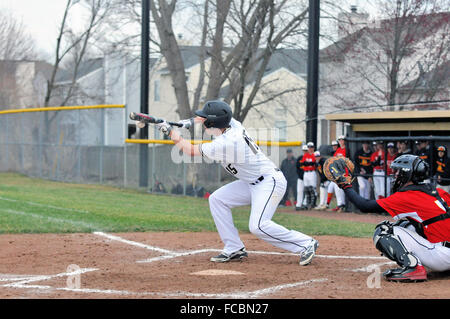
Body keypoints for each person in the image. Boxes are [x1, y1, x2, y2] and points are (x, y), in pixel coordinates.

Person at [153, 100, 319, 265]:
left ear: (214, 123)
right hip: (250, 182)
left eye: (206, 120)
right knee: (217, 200)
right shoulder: (233, 125)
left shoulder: (225, 143)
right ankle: (234, 247)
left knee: (258, 226)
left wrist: (170, 132)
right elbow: (213, 118)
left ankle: (305, 243)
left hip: (269, 182)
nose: (204, 121)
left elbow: (189, 150)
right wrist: (188, 122)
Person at [331, 154, 450, 282]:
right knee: (403, 225)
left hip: (442, 257)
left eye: (398, 172)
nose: (396, 175)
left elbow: (364, 206)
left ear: (407, 174)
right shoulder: (438, 191)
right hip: (445, 250)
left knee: (384, 231)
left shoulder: (407, 196)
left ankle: (413, 268)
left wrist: (345, 185)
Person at [326, 136, 347, 212]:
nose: (341, 141)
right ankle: (339, 205)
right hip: (337, 172)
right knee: (336, 187)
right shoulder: (337, 150)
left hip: (344, 172)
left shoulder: (346, 150)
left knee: (341, 188)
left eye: (342, 140)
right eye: (340, 140)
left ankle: (342, 205)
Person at [300, 142, 318, 209]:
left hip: (312, 173)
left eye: (311, 147)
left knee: (313, 189)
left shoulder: (315, 154)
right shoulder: (306, 155)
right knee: (306, 189)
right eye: (309, 147)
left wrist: (310, 163)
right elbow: (304, 163)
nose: (310, 149)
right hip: (306, 173)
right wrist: (311, 163)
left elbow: (315, 164)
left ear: (313, 148)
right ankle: (308, 203)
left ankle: (313, 204)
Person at [295, 145, 308, 211]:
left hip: (307, 177)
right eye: (304, 150)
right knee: (299, 191)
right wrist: (300, 176)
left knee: (306, 191)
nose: (305, 152)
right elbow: (297, 168)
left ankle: (305, 204)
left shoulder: (309, 158)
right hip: (300, 177)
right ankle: (298, 204)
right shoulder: (300, 158)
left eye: (306, 150)